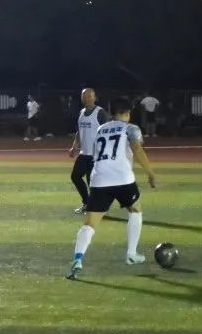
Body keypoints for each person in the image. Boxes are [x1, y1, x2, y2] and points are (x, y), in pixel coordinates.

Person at [67, 97, 158, 280]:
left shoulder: (101, 129)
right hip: (123, 178)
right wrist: (151, 173)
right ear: (128, 113)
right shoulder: (131, 128)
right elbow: (137, 149)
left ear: (112, 112)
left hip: (99, 180)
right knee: (135, 210)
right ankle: (131, 254)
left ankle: (78, 259)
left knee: (89, 224)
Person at [68, 88, 111, 214]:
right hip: (84, 153)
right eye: (84, 96)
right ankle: (87, 203)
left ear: (94, 98)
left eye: (89, 96)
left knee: (92, 183)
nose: (86, 98)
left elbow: (109, 130)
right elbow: (79, 131)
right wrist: (74, 146)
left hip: (96, 155)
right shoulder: (82, 112)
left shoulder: (100, 113)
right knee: (75, 176)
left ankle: (96, 208)